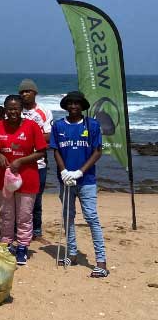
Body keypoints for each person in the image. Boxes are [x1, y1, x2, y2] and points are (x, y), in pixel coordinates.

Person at [50, 91, 108, 278]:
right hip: (66, 181)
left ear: (82, 106)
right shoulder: (58, 125)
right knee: (68, 217)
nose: (73, 106)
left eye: (77, 103)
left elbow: (97, 152)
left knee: (91, 218)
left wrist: (80, 172)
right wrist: (64, 171)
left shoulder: (92, 125)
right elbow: (56, 151)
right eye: (70, 103)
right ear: (66, 106)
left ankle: (101, 262)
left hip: (87, 181)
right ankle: (72, 254)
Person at [0, 94, 47, 265]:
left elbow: (42, 151)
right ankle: (6, 244)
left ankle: (22, 246)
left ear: (21, 110)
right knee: (6, 213)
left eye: (16, 108)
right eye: (9, 108)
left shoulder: (32, 126)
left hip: (27, 177)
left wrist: (21, 161)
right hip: (3, 178)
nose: (13, 112)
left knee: (24, 215)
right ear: (5, 110)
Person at [19, 78, 53, 241]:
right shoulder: (14, 110)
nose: (24, 94)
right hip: (16, 163)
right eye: (22, 92)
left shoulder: (44, 111)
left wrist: (27, 138)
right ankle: (18, 230)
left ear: (35, 93)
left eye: (27, 91)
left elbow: (49, 135)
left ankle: (37, 231)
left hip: (38, 162)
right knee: (17, 198)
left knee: (36, 198)